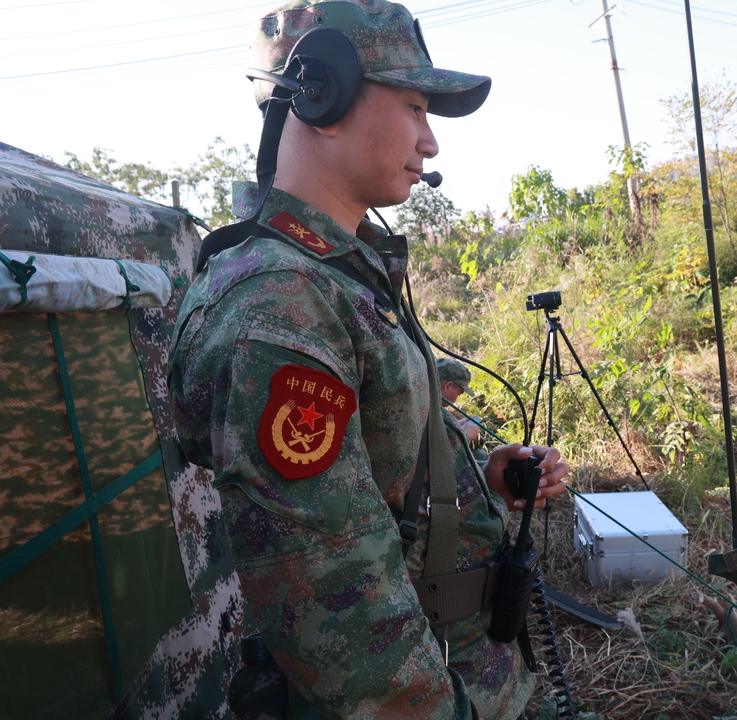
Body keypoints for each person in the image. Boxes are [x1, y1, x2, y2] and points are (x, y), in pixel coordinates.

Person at [168, 2, 569, 718]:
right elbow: (337, 610)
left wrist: (481, 477)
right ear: (324, 93)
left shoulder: (335, 276)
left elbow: (374, 472)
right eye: (415, 106)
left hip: (468, 665)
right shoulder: (280, 307)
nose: (430, 141)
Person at [436, 357, 483, 446]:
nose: (456, 400)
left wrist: (455, 427)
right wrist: (465, 436)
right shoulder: (426, 410)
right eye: (459, 393)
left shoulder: (423, 402)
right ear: (448, 386)